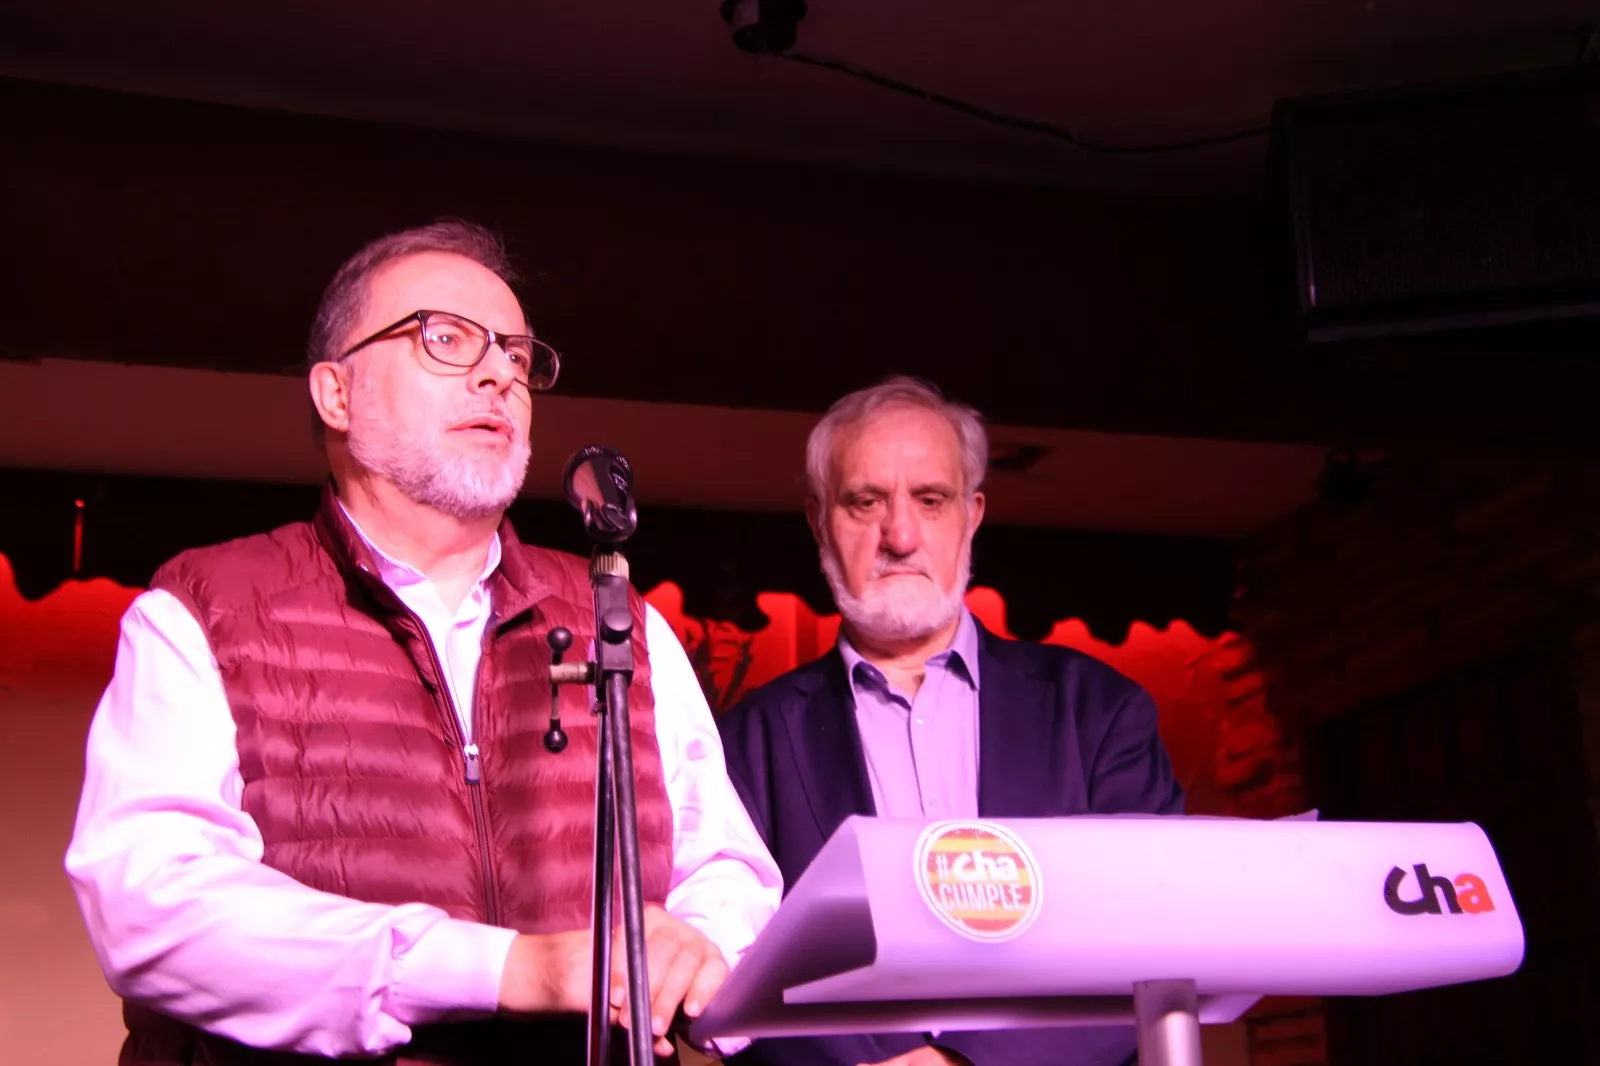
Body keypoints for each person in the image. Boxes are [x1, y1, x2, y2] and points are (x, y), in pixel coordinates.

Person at [65, 220, 783, 1065]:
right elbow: (152, 905)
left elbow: (726, 870)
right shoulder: (205, 610)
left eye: (517, 355)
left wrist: (701, 946)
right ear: (336, 394)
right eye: (445, 338)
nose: (498, 374)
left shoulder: (620, 619)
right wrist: (504, 968)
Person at [716, 376, 1185, 1066]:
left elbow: (1155, 934)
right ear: (819, 522)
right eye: (865, 502)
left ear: (972, 515)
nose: (900, 536)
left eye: (930, 500)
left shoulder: (1100, 712)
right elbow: (734, 957)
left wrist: (966, 1062)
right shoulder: (747, 744)